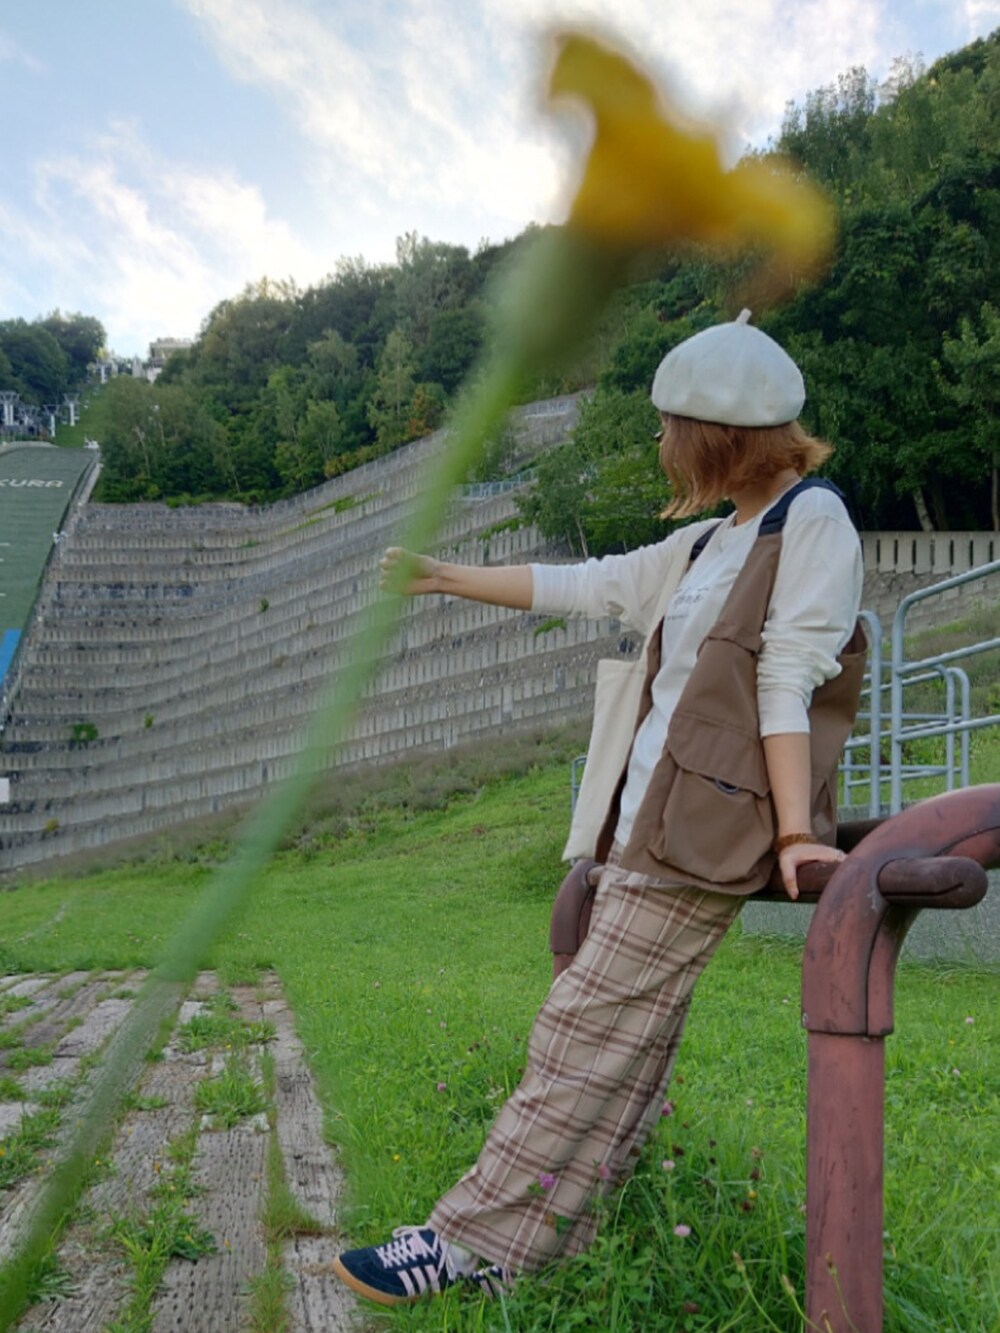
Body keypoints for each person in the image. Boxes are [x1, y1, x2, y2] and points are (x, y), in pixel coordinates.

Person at [332, 310, 866, 1306]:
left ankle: (456, 1243)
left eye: (669, 428)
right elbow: (591, 585)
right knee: (623, 1049)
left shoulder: (812, 522)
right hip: (645, 825)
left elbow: (791, 674)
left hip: (704, 831)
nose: (660, 444)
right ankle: (541, 1250)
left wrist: (796, 832)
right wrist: (443, 578)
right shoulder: (709, 540)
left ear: (717, 436)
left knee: (577, 1036)